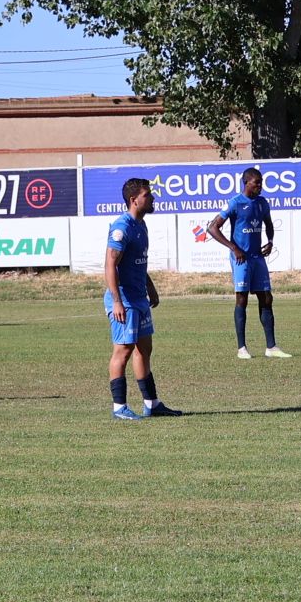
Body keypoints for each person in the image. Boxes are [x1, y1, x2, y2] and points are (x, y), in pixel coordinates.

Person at [105, 177, 181, 420]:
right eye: (148, 195)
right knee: (123, 351)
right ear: (134, 199)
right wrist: (117, 301)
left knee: (144, 349)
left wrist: (150, 287)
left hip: (139, 298)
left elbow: (138, 262)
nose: (153, 198)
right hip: (125, 301)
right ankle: (120, 408)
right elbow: (110, 266)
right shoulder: (122, 227)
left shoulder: (141, 225)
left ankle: (152, 404)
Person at [206, 166, 291, 359]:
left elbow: (268, 224)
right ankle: (241, 348)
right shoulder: (235, 203)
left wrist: (270, 242)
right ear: (246, 183)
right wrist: (234, 248)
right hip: (241, 258)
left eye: (261, 183)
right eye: (256, 183)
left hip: (257, 257)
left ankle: (271, 347)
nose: (260, 186)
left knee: (266, 297)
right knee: (242, 299)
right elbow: (212, 228)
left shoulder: (262, 203)